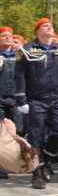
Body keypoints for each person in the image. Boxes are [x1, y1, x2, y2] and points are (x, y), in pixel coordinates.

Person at [15, 18, 58, 189]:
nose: (49, 27)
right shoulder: (26, 50)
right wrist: (21, 100)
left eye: (51, 25)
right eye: (45, 26)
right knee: (36, 138)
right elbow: (20, 76)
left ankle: (45, 160)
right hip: (36, 100)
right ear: (37, 31)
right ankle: (36, 173)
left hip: (57, 100)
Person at [0, 26, 20, 179]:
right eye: (4, 35)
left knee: (16, 130)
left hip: (14, 99)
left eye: (9, 35)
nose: (7, 38)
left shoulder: (19, 55)